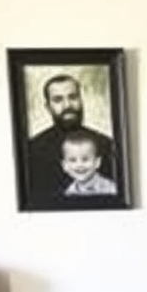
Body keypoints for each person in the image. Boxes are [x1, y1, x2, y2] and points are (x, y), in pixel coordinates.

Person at [26, 74, 117, 207]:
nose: (67, 105)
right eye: (58, 100)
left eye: (73, 97)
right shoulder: (32, 149)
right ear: (48, 107)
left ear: (81, 100)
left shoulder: (106, 144)